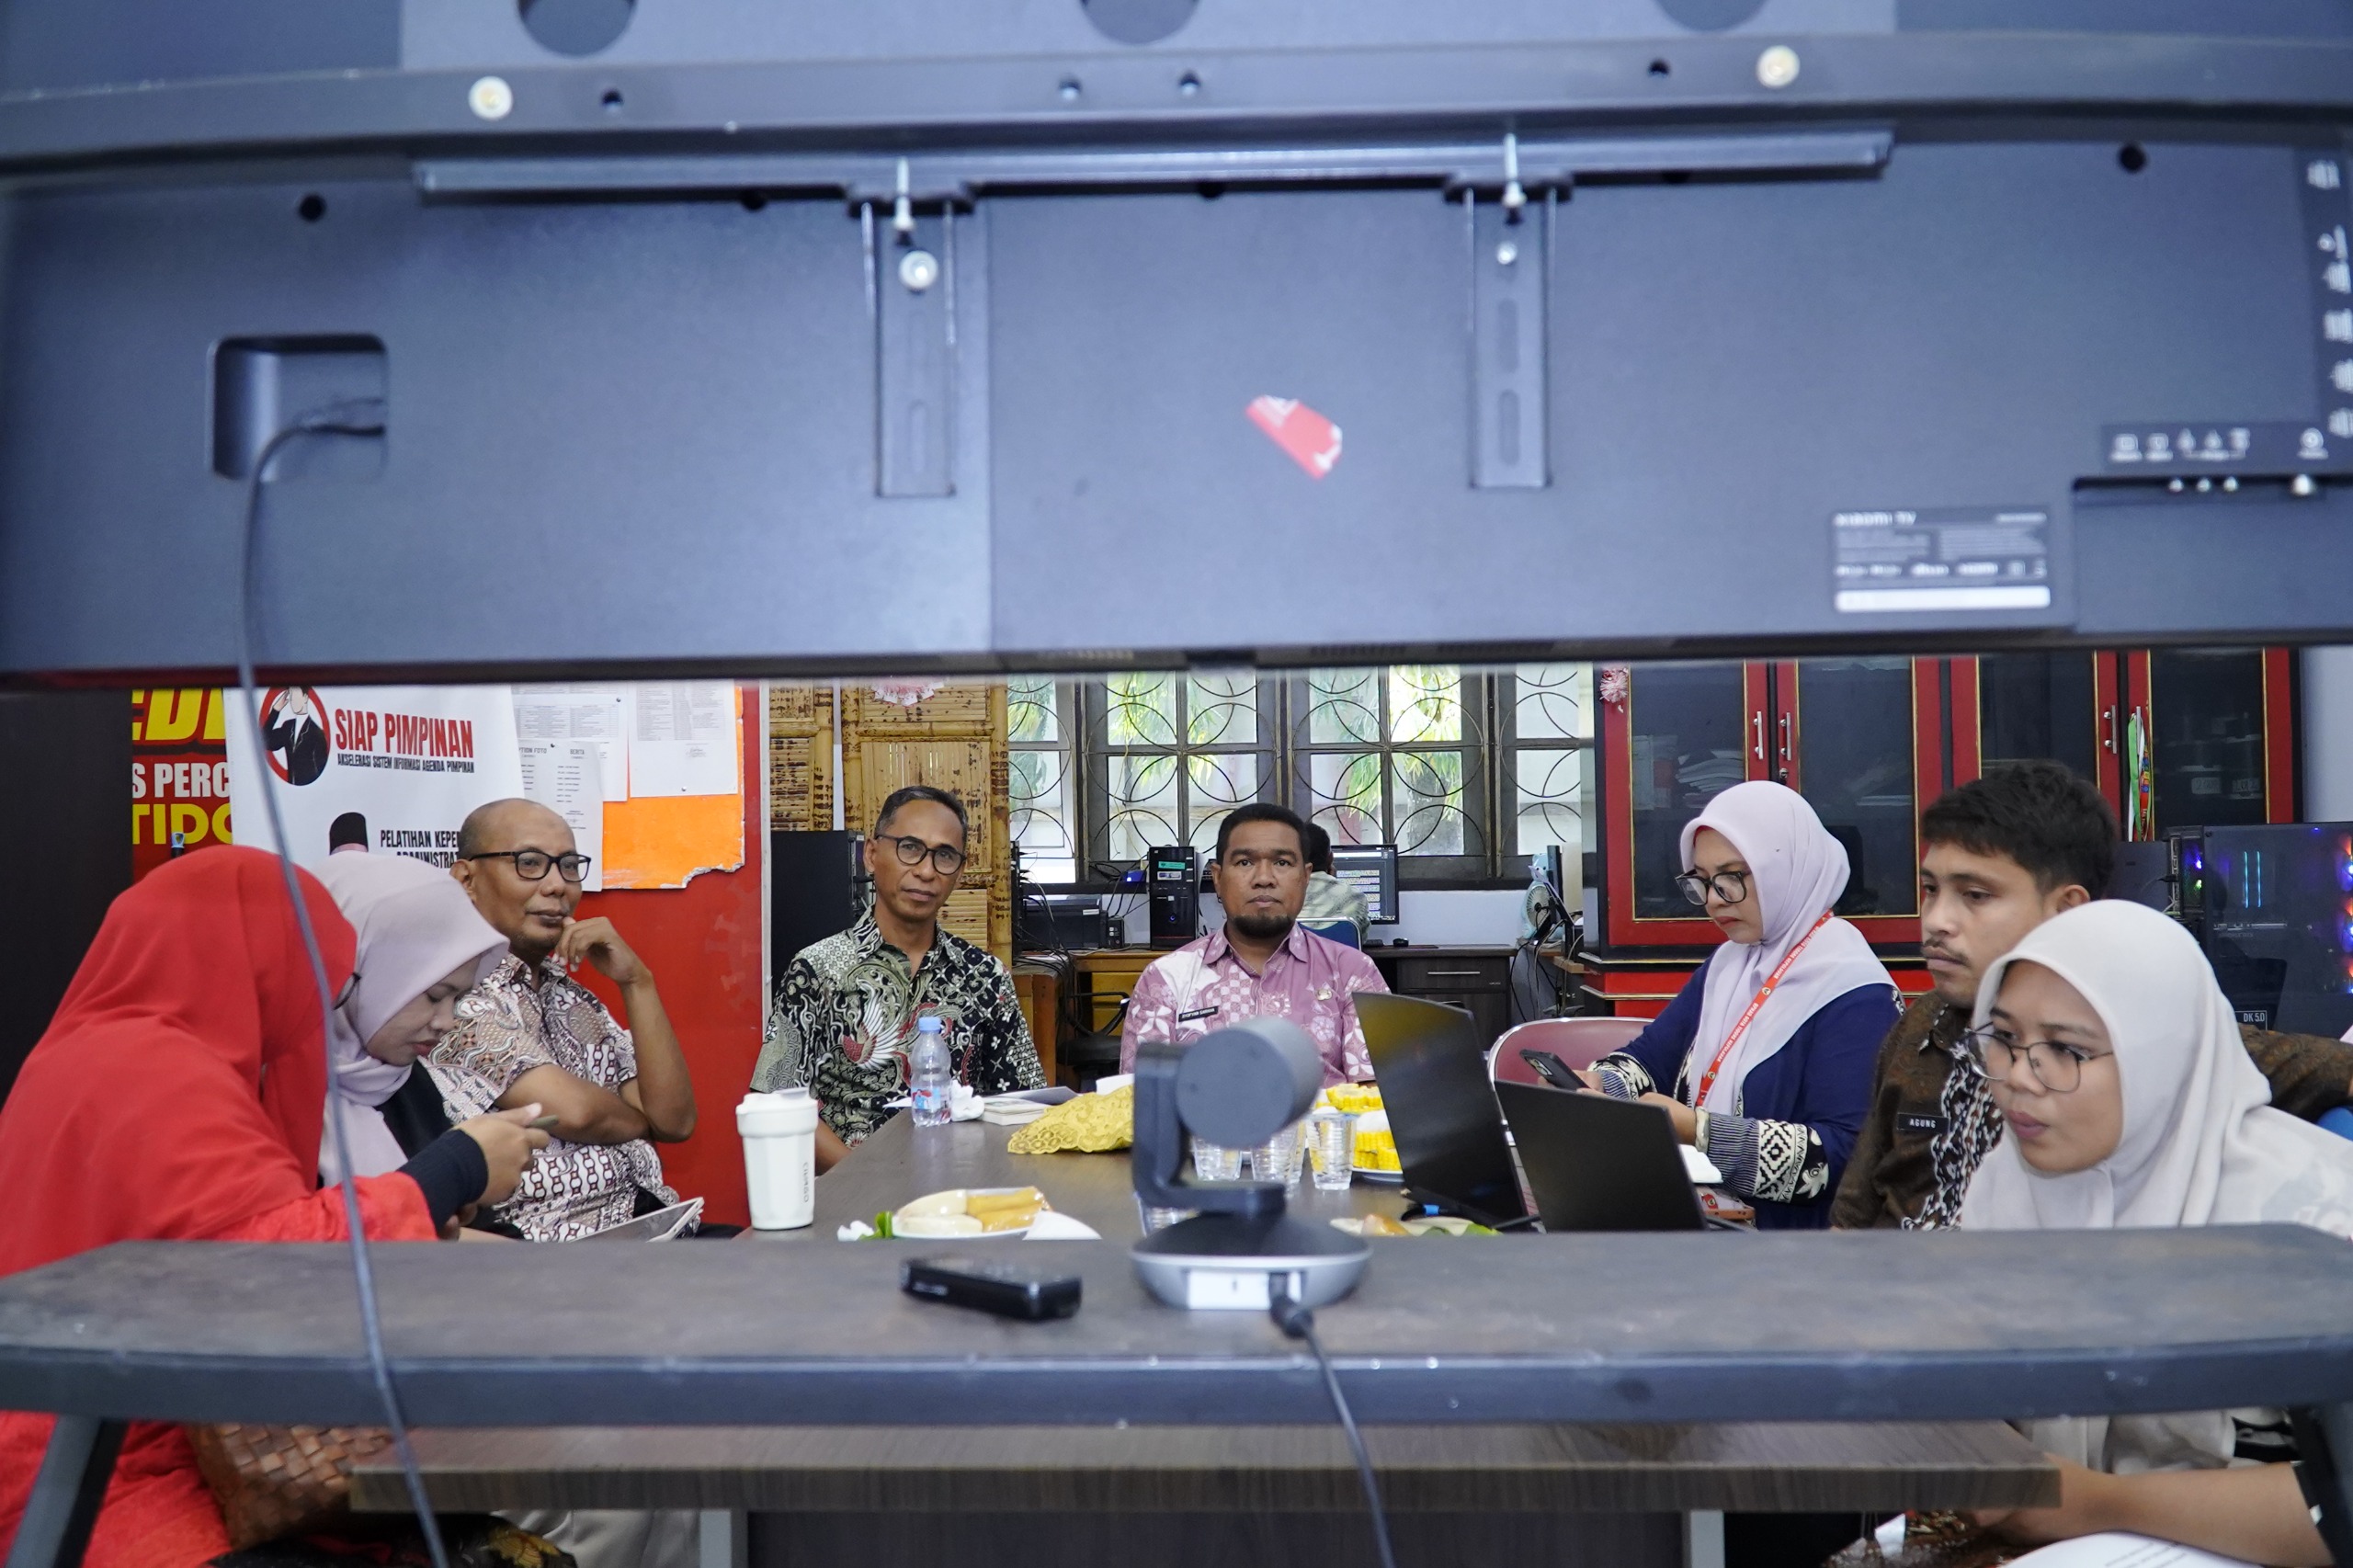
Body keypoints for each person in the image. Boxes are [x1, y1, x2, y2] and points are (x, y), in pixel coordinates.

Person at [0, 847, 550, 1568]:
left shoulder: (91, 1054)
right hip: (108, 1470)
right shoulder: (161, 1077)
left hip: (89, 1431)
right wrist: (455, 1169)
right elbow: (271, 1267)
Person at [1961, 900, 2351, 1566]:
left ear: (2162, 1059)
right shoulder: (2006, 1189)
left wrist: (2097, 1502)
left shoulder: (2306, 1221)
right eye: (2003, 1037)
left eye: (2066, 1050)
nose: (2020, 1077)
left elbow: (2340, 1506)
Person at [1831, 761, 2353, 1230]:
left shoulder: (2160, 1043)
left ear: (2066, 909)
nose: (1937, 921)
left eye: (1975, 895)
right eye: (1930, 890)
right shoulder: (1922, 1026)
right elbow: (1854, 1216)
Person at [1581, 780, 1897, 1229]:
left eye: (1732, 878)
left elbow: (1844, 1156)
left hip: (1797, 1247)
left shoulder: (1855, 992)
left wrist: (1702, 1132)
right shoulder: (1730, 965)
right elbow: (1650, 1060)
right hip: (1704, 1222)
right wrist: (1600, 1085)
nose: (1713, 899)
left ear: (1786, 869)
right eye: (1703, 880)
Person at [435, 799, 699, 1241]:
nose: (557, 885)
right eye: (529, 863)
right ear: (467, 880)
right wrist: (643, 1120)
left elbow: (676, 1121)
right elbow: (578, 1114)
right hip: (551, 1249)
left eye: (569, 866)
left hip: (650, 1225)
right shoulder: (449, 997)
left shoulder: (572, 997)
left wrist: (637, 982)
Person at [755, 785, 1043, 1167]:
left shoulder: (986, 977)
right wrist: (866, 1179)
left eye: (944, 856)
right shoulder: (816, 970)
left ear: (959, 871)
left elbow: (1024, 1102)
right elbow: (777, 1097)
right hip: (849, 1190)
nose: (926, 871)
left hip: (956, 1183)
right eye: (910, 848)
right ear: (872, 855)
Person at [1120, 802, 1390, 1085]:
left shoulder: (1353, 973)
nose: (1264, 879)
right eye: (1244, 863)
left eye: (1282, 863)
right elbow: (1142, 1099)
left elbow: (1374, 1094)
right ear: (1218, 878)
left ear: (1305, 877)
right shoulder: (1165, 979)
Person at [313, 851, 509, 1187]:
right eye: (434, 996)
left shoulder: (407, 1084)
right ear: (362, 970)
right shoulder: (268, 1094)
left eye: (458, 999)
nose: (446, 1022)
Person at [1297, 821, 1370, 939]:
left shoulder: (1284, 897)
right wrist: (1333, 883)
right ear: (1331, 858)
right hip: (1338, 952)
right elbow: (1358, 940)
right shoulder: (1356, 897)